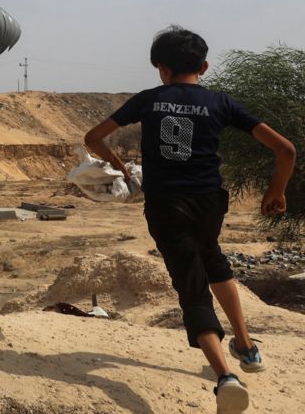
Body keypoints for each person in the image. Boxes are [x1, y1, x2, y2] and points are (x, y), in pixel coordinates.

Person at [84, 25, 295, 414]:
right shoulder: (221, 103)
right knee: (213, 259)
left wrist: (120, 168)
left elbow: (94, 137)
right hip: (209, 202)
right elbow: (285, 149)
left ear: (161, 69)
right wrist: (275, 192)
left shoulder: (148, 100)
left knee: (191, 286)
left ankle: (226, 378)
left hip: (166, 204)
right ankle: (247, 348)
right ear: (205, 66)